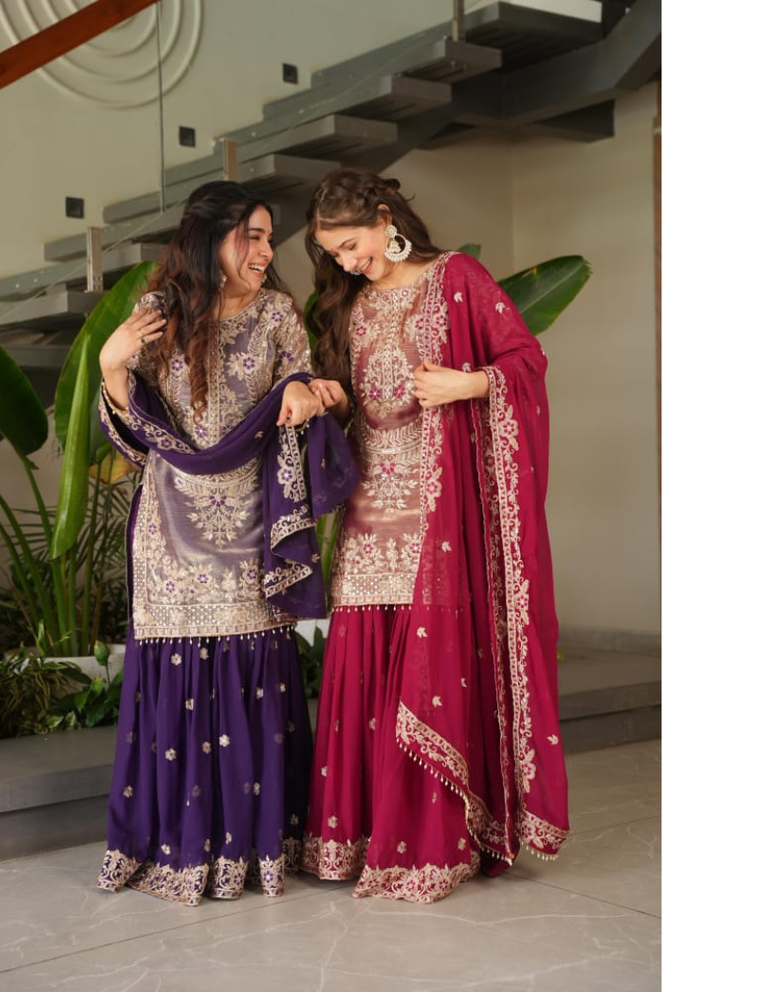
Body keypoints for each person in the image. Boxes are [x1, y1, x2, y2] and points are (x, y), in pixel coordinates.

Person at [300, 167, 569, 903]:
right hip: (367, 508)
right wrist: (330, 396)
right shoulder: (348, 304)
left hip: (438, 511)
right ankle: (360, 837)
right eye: (335, 254)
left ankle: (430, 839)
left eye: (351, 245)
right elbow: (360, 403)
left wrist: (469, 383)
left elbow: (527, 361)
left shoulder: (457, 278)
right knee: (363, 658)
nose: (347, 262)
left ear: (385, 218)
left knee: (432, 664)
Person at [94, 180, 357, 906]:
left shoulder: (277, 313)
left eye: (270, 237)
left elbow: (301, 388)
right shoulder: (158, 313)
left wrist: (305, 391)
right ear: (212, 238)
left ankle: (256, 846)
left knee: (252, 674)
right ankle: (173, 846)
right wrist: (111, 365)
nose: (266, 251)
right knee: (178, 684)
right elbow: (133, 439)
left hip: (250, 526)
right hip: (170, 528)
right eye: (253, 235)